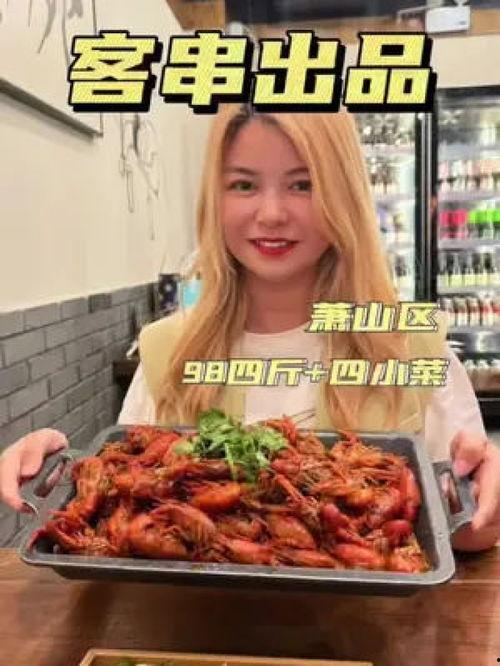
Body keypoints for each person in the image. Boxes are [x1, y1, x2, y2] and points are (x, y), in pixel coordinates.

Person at [1, 105, 499, 551]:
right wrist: (62, 467)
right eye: (243, 184)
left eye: (303, 184)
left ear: (344, 195)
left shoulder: (411, 346)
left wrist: (486, 503)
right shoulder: (169, 352)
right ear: (214, 200)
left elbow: (466, 531)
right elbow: (114, 510)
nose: (272, 213)